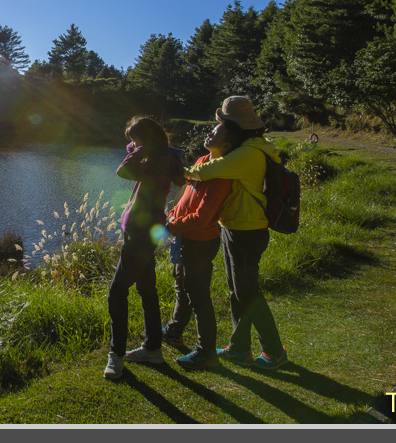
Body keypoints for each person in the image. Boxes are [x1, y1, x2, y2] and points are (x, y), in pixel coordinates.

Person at [183, 96, 288, 371]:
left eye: (223, 123)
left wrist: (182, 171)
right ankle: (240, 348)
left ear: (234, 126)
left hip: (246, 230)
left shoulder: (249, 153)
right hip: (236, 227)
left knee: (247, 293)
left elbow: (208, 171)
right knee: (237, 291)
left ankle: (274, 351)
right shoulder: (252, 147)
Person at [103, 116, 186, 380]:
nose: (133, 146)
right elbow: (132, 155)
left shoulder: (157, 162)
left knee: (117, 292)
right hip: (146, 228)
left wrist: (140, 150)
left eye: (137, 141)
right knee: (147, 289)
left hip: (140, 232)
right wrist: (139, 147)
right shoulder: (164, 157)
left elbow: (123, 171)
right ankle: (152, 348)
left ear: (146, 142)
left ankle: (116, 355)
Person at [160, 126, 239, 371]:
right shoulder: (203, 161)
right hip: (185, 238)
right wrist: (173, 214)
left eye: (215, 134)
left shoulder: (221, 175)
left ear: (227, 146)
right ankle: (174, 331)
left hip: (199, 242)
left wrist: (172, 226)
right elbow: (187, 193)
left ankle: (206, 353)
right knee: (181, 287)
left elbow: (203, 217)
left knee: (199, 297)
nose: (209, 134)